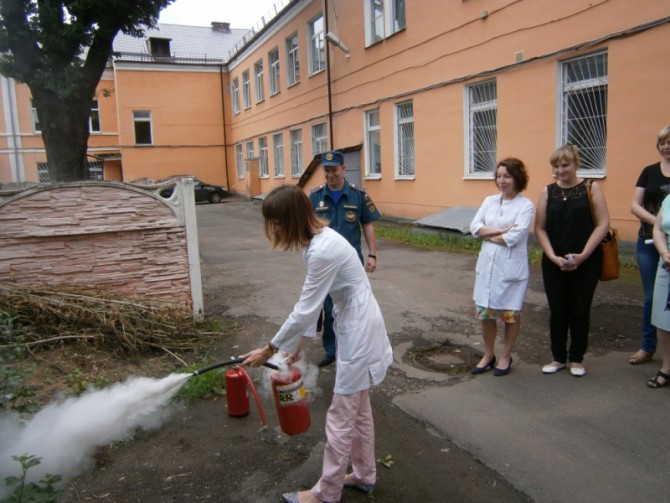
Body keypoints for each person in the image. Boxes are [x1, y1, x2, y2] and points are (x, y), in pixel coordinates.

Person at [240, 184, 393, 503]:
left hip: (360, 330)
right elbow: (314, 300)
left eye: (277, 221)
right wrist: (298, 344)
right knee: (359, 411)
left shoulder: (322, 249)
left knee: (341, 415)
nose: (275, 228)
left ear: (291, 218)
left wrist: (270, 348)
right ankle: (364, 475)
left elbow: (305, 308)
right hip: (355, 321)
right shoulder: (318, 242)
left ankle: (327, 493)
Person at [535, 144, 610, 377]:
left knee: (579, 309)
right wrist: (551, 256)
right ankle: (558, 357)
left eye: (564, 165)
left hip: (586, 260)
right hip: (554, 261)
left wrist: (584, 255)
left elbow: (603, 224)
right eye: (556, 166)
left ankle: (576, 359)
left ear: (576, 163)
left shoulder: (591, 187)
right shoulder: (547, 192)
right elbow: (539, 228)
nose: (560, 170)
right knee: (558, 310)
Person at [310, 150, 380, 368]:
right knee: (330, 309)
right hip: (325, 263)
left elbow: (367, 225)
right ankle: (332, 350)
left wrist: (372, 254)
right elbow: (309, 227)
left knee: (355, 306)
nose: (330, 175)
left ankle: (354, 348)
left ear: (343, 169)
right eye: (327, 171)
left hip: (352, 263)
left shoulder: (358, 195)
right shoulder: (315, 196)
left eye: (334, 171)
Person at [469, 158, 535, 377]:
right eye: (498, 176)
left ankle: (506, 355)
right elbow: (474, 227)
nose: (501, 180)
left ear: (518, 178)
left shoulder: (525, 205)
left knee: (509, 314)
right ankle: (488, 354)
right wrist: (500, 231)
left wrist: (489, 234)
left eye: (507, 176)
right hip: (487, 266)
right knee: (486, 314)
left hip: (510, 270)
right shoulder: (489, 201)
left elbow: (514, 237)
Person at [629, 125, 670, 365]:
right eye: (663, 143)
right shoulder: (649, 171)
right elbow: (635, 206)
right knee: (651, 297)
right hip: (648, 242)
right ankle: (647, 346)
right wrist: (659, 225)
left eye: (669, 142)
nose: (666, 147)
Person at [647, 197, 670, 388]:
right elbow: (659, 229)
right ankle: (667, 368)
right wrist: (664, 253)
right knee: (663, 319)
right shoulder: (669, 199)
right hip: (667, 266)